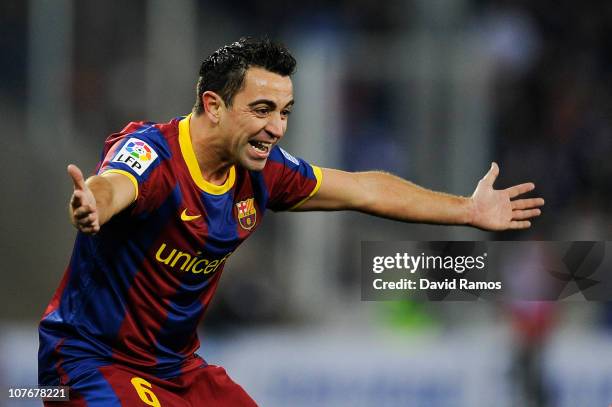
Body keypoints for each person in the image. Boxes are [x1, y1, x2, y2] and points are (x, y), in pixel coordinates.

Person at [38, 37, 544, 406]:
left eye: (285, 111)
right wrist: (92, 206)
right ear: (213, 106)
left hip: (176, 369)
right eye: (262, 109)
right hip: (87, 362)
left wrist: (468, 210)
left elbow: (364, 188)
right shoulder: (153, 153)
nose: (276, 128)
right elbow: (114, 183)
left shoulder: (264, 172)